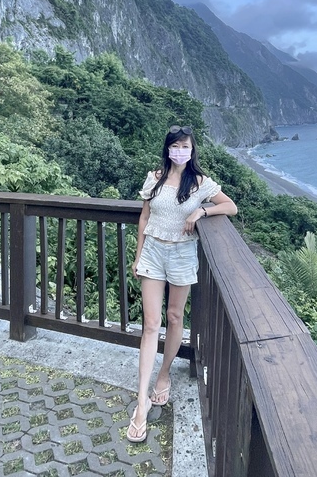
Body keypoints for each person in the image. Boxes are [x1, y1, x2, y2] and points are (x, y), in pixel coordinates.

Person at [126, 125, 237, 442]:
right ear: (168, 148)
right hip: (153, 253)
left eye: (184, 146)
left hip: (182, 255)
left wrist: (202, 211)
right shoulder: (155, 177)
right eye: (175, 145)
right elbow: (144, 217)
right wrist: (137, 256)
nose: (179, 151)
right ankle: (141, 404)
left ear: (192, 150)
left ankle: (164, 375)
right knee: (150, 323)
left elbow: (230, 206)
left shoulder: (201, 184)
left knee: (175, 317)